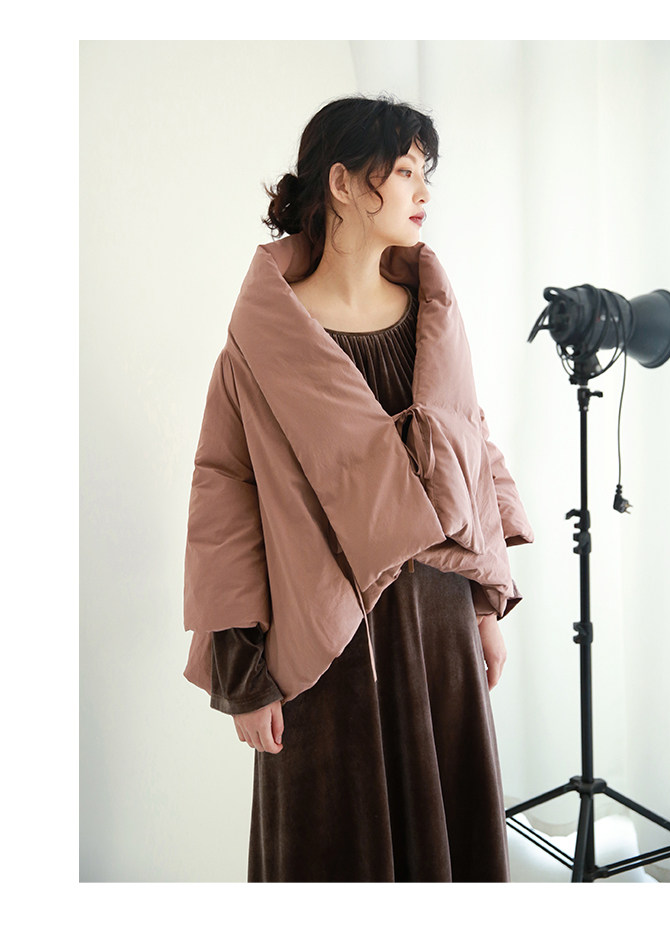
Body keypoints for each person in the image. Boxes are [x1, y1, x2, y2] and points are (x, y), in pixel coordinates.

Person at [184, 93, 533, 883]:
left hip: (439, 622)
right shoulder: (264, 341)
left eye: (424, 172)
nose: (423, 191)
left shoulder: (432, 312)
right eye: (405, 171)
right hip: (325, 640)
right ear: (342, 183)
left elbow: (470, 445)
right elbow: (224, 495)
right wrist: (244, 675)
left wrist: (484, 607)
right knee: (332, 849)